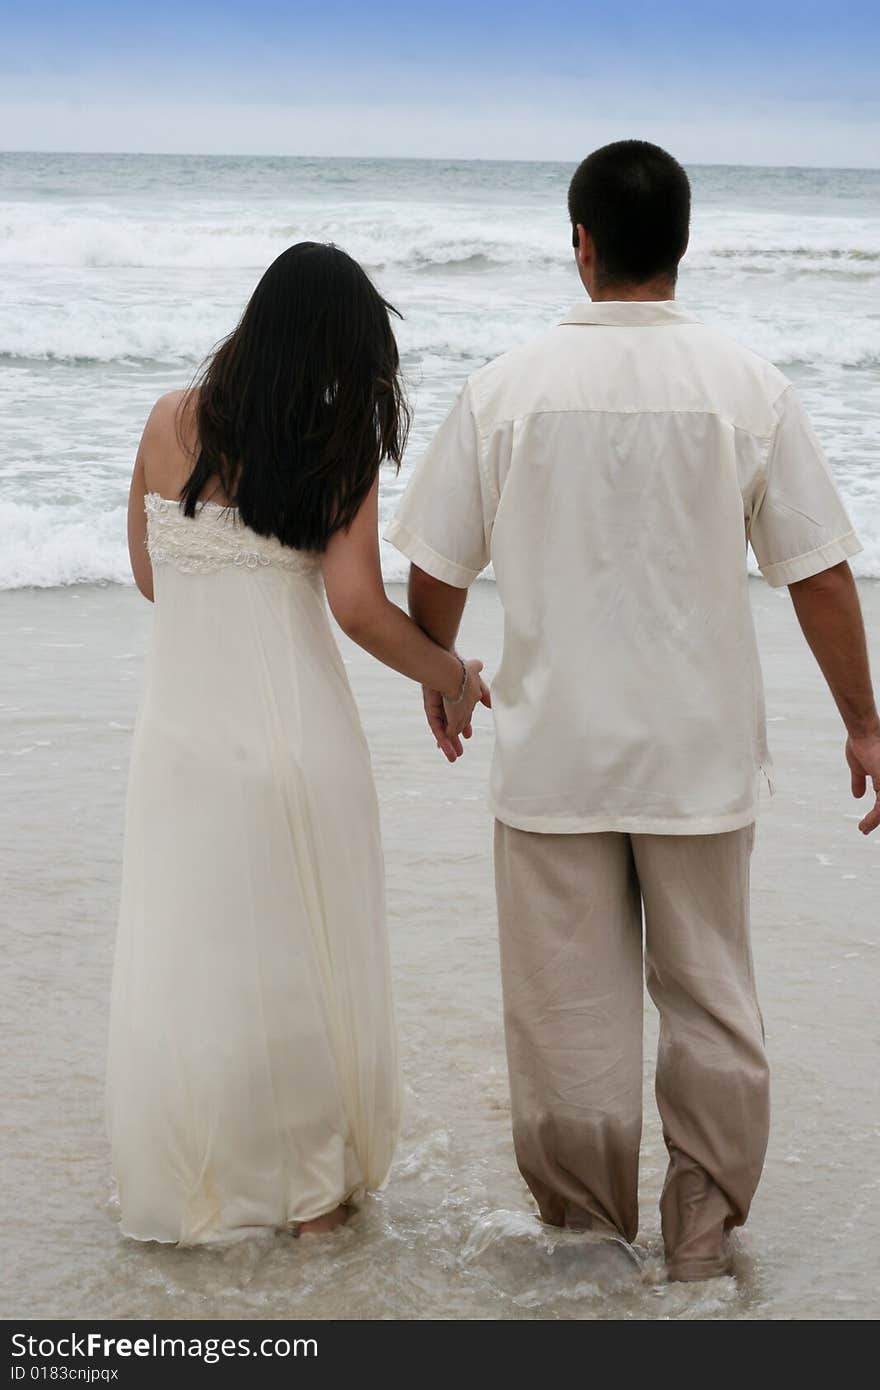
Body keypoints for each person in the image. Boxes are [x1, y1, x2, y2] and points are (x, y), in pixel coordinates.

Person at [386, 141, 879, 1282]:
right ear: (681, 246)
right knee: (710, 996)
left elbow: (438, 563)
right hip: (698, 758)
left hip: (553, 756)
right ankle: (698, 1237)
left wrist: (444, 672)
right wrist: (863, 721)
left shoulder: (505, 388)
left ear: (583, 245)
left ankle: (585, 1237)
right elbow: (814, 569)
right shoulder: (747, 387)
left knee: (565, 1017)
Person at [106, 242, 486, 1246]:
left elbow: (152, 576)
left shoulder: (165, 420)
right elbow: (359, 610)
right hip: (297, 739)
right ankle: (312, 1201)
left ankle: (209, 1184)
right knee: (305, 963)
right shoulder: (335, 440)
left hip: (181, 743)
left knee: (202, 967)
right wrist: (452, 675)